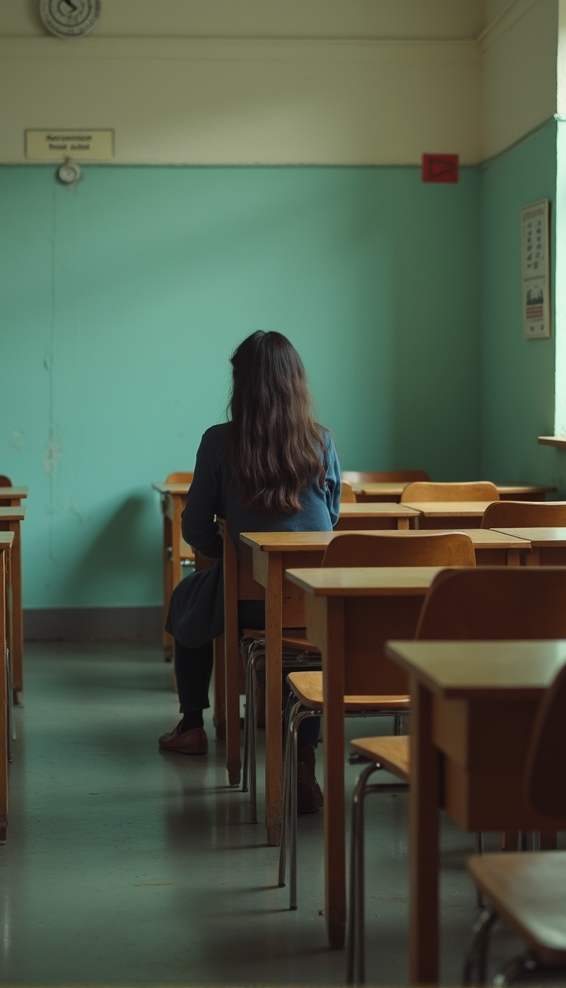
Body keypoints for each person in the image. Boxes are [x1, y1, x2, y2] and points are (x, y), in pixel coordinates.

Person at [158, 330, 341, 813]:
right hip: (314, 599)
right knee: (312, 643)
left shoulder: (219, 442)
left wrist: (233, 552)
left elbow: (194, 526)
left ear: (241, 384)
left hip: (250, 594)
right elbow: (333, 516)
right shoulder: (321, 442)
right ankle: (303, 758)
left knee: (185, 600)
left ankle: (193, 723)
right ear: (295, 383)